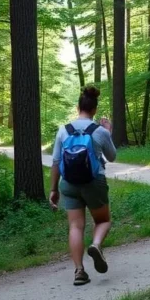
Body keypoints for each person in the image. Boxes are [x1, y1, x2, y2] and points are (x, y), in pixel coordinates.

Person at [49, 86, 117, 286]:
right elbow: (112, 157)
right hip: (93, 181)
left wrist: (53, 189)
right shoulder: (100, 131)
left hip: (68, 183)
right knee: (103, 220)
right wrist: (108, 132)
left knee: (75, 226)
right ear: (94, 110)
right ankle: (96, 245)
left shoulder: (64, 130)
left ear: (78, 107)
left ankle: (79, 271)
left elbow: (55, 162)